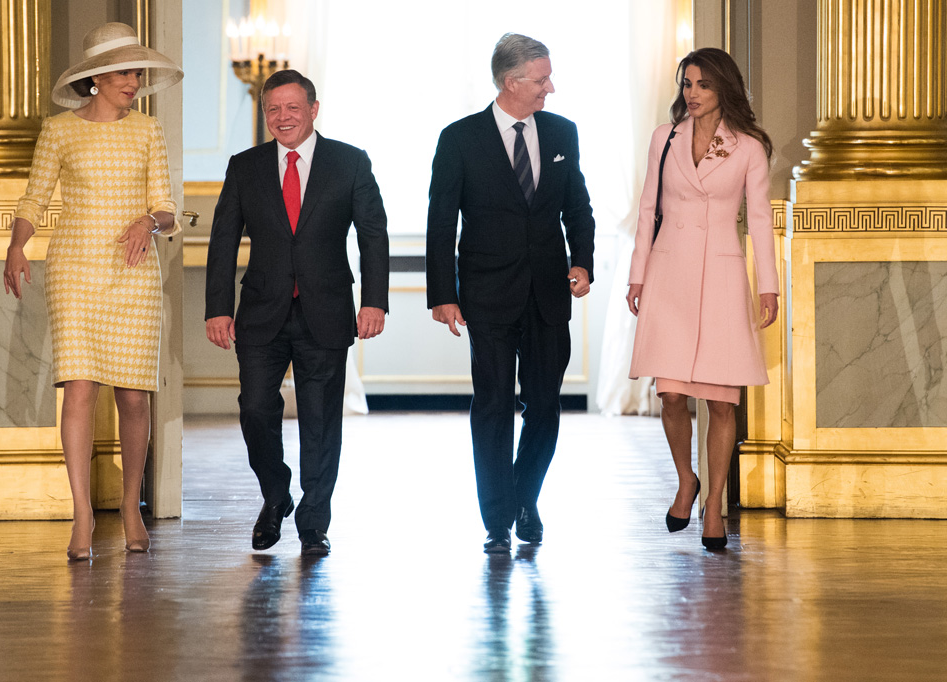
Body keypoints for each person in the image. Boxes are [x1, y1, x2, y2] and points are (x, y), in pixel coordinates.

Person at [3, 23, 183, 561]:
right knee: (79, 390)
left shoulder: (147, 130)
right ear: (98, 76)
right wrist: (17, 246)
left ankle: (130, 506)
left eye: (138, 72)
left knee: (132, 394)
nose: (135, 81)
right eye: (127, 72)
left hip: (133, 271)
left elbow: (167, 206)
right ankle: (82, 513)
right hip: (75, 270)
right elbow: (34, 198)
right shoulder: (59, 131)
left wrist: (147, 222)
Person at [205, 70, 389, 557]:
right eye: (273, 110)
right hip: (261, 312)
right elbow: (224, 240)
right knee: (256, 408)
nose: (282, 118)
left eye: (292, 108)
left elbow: (373, 234)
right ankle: (276, 493)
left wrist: (374, 300)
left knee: (321, 420)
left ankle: (313, 521)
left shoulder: (349, 162)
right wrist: (217, 309)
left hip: (326, 310)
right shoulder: (245, 166)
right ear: (265, 115)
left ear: (313, 109)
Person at [426, 33, 595, 554]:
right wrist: (442, 294)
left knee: (544, 406)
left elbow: (578, 207)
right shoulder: (459, 139)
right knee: (494, 405)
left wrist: (582, 261)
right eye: (542, 79)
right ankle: (498, 518)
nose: (551, 87)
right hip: (487, 295)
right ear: (511, 82)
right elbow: (440, 221)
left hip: (548, 294)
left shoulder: (563, 132)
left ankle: (526, 495)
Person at [625, 47, 779, 550]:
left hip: (721, 279)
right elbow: (648, 208)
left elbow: (758, 219)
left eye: (702, 85)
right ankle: (685, 478)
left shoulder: (749, 147)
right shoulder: (663, 139)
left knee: (719, 400)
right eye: (686, 83)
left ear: (724, 89)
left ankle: (714, 503)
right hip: (668, 274)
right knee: (670, 393)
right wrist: (638, 276)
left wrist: (768, 286)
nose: (691, 93)